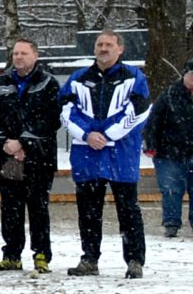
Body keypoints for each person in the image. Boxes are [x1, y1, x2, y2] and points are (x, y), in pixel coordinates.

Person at [63, 30, 151, 278]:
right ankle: (90, 258)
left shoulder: (134, 77)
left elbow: (140, 112)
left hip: (121, 156)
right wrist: (88, 134)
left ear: (120, 49)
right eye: (99, 44)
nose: (103, 48)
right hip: (87, 156)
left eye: (109, 44)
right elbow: (66, 110)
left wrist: (109, 135)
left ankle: (134, 260)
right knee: (88, 212)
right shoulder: (79, 78)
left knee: (128, 211)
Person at [0, 39, 62, 274]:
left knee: (38, 207)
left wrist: (24, 142)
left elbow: (51, 119)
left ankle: (41, 254)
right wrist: (4, 142)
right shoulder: (0, 83)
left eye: (23, 53)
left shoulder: (48, 83)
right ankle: (11, 255)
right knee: (11, 207)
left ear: (35, 55)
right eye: (15, 53)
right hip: (9, 158)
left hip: (39, 157)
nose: (18, 57)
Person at [153, 65, 193, 239]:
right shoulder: (169, 94)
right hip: (169, 151)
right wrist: (151, 144)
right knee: (171, 189)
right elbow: (155, 119)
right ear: (184, 75)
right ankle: (171, 223)